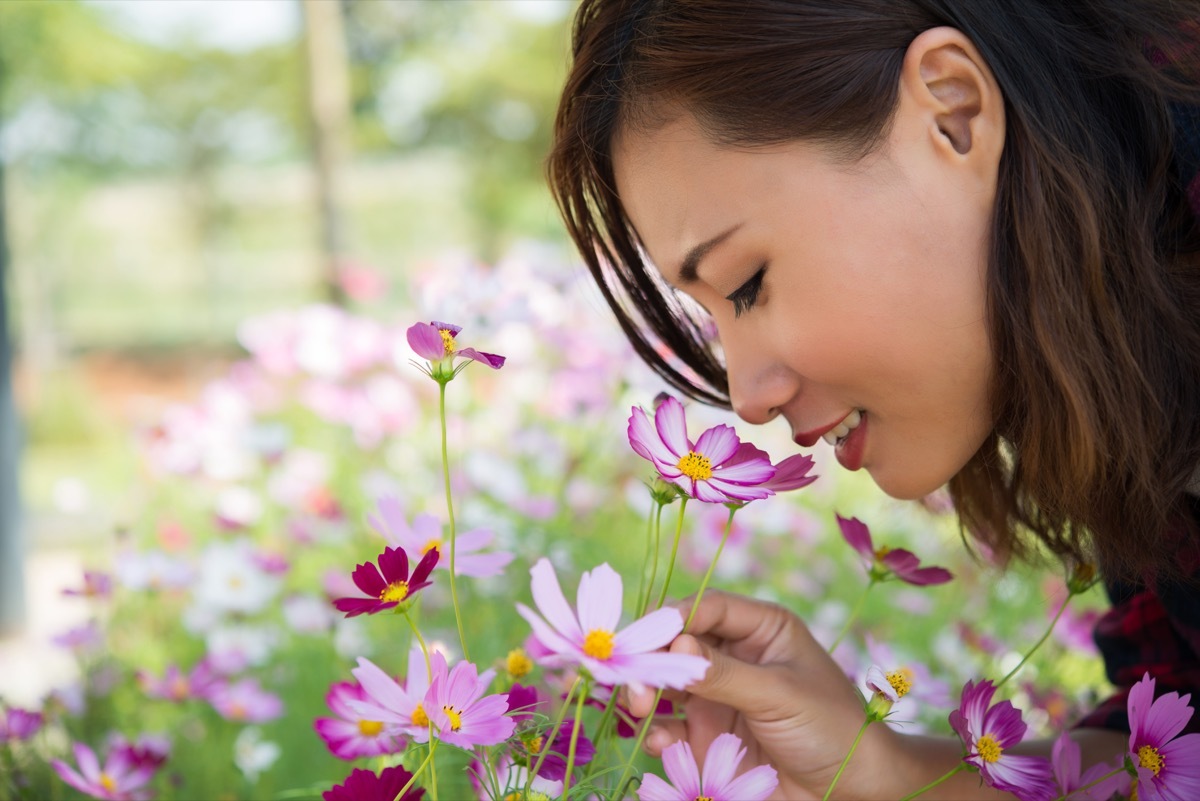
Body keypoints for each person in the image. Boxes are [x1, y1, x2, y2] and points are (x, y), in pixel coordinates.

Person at [545, 0, 1200, 798]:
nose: (746, 398)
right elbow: (1181, 747)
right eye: (711, 319)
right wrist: (876, 771)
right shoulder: (1126, 376)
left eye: (747, 284)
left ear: (953, 113)